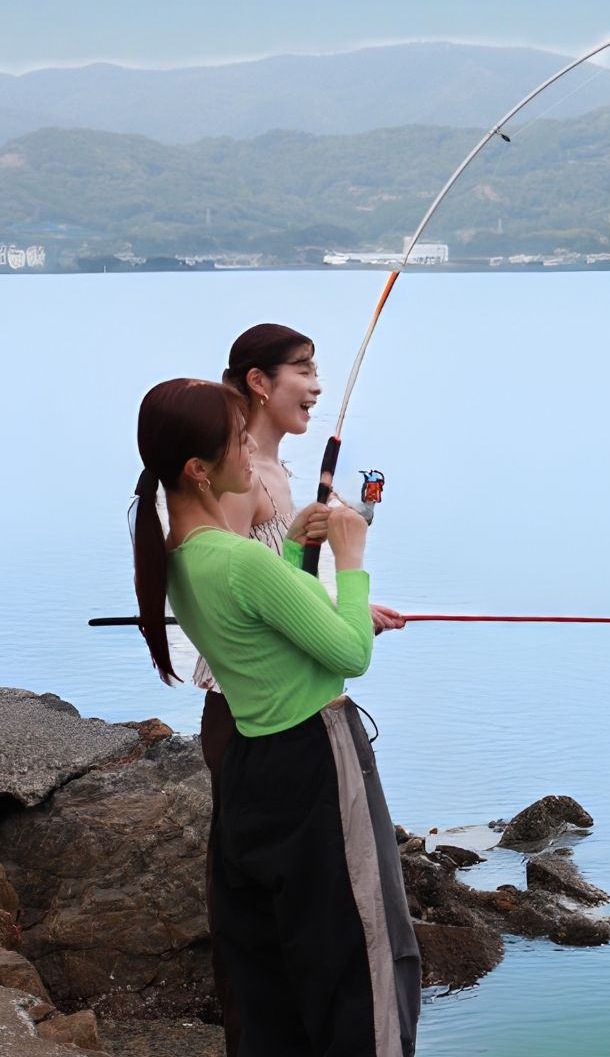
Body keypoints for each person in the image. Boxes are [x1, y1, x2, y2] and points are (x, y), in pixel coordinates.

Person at [132, 378, 420, 1057]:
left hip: (255, 767)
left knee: (276, 968)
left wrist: (293, 551)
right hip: (318, 760)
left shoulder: (179, 558)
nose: (249, 451)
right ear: (200, 471)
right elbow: (349, 652)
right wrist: (352, 561)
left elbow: (262, 635)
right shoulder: (235, 561)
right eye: (236, 440)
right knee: (364, 959)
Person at [196, 323, 405, 1053]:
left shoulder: (266, 478)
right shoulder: (233, 477)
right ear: (259, 381)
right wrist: (346, 587)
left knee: (292, 927)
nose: (316, 385)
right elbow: (238, 608)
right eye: (302, 370)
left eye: (319, 370)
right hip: (263, 716)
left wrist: (334, 599)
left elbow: (275, 599)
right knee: (318, 935)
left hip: (275, 706)